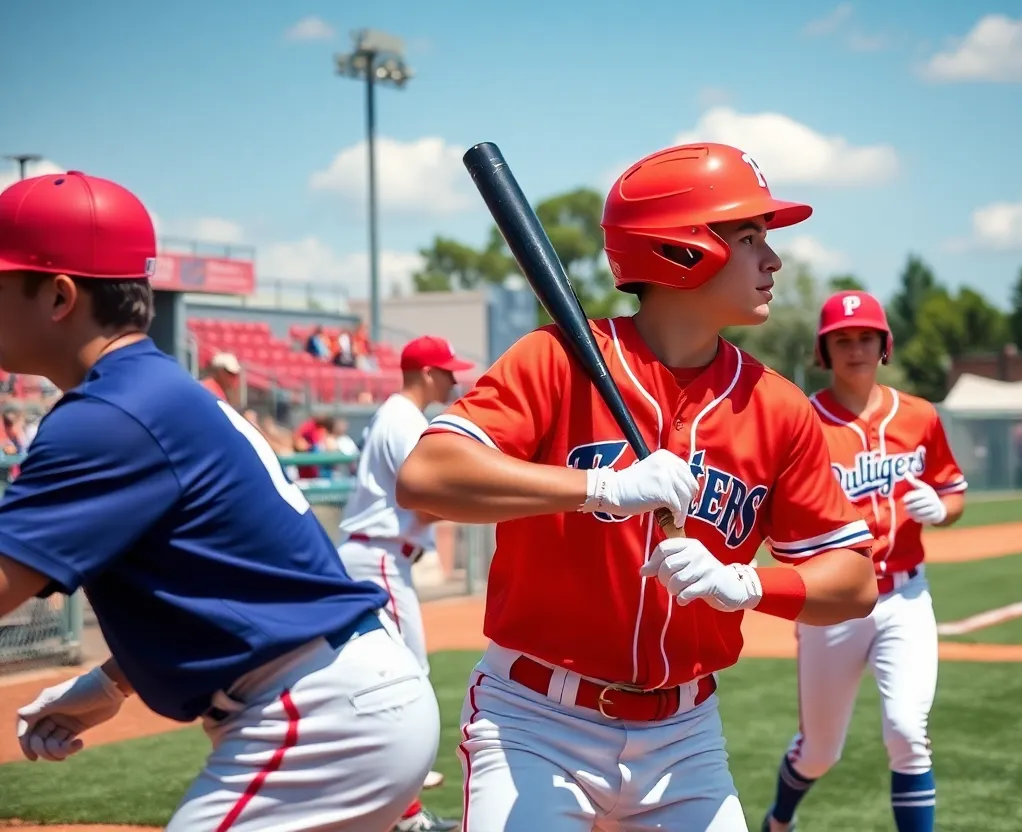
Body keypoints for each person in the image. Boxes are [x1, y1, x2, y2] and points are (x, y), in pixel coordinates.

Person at [396, 142, 879, 831]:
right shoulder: (557, 361)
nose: (772, 260)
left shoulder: (776, 407)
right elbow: (427, 476)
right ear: (682, 251)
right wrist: (597, 486)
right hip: (535, 722)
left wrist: (746, 585)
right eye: (749, 238)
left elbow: (854, 581)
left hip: (686, 738)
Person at [0, 171, 440, 830]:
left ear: (60, 295)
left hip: (316, 719)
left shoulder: (109, 414)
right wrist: (112, 682)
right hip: (342, 696)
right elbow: (243, 581)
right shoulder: (155, 392)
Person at [762, 291, 968, 832]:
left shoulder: (920, 416)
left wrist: (942, 511)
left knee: (907, 731)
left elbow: (953, 491)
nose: (855, 348)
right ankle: (780, 820)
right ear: (824, 351)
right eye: (842, 339)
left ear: (884, 346)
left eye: (866, 337)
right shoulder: (802, 419)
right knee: (819, 752)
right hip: (834, 602)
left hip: (905, 595)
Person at [336, 335, 474, 832]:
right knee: (405, 677)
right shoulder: (404, 420)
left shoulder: (397, 415)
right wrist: (483, 501)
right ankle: (402, 813)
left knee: (383, 679)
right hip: (378, 559)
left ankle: (384, 795)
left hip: (379, 556)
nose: (454, 380)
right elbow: (423, 498)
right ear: (427, 373)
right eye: (448, 371)